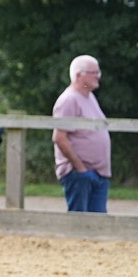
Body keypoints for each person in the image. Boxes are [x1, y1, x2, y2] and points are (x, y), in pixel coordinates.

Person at [52, 55, 110, 213]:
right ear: (79, 75)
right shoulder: (69, 99)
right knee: (79, 222)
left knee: (98, 223)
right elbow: (59, 137)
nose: (98, 76)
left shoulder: (90, 97)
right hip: (80, 174)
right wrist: (80, 168)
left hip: (98, 174)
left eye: (98, 72)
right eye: (94, 72)